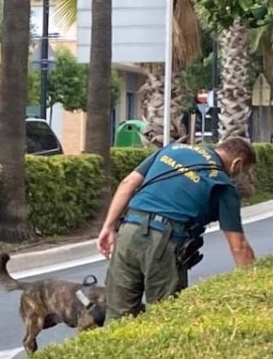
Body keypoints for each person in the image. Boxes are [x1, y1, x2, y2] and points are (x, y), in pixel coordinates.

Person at [96, 136, 257, 322]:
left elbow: (128, 183)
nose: (238, 175)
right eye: (243, 171)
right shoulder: (222, 184)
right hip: (164, 242)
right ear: (237, 163)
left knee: (118, 316)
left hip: (128, 230)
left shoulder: (172, 150)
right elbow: (239, 247)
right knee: (165, 317)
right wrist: (254, 288)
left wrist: (108, 227)